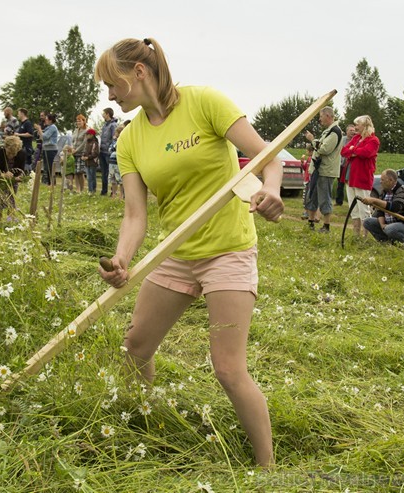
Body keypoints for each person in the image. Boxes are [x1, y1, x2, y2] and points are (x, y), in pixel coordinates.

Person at [95, 37, 283, 467]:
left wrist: (271, 192)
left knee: (228, 369)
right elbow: (134, 214)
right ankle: (146, 428)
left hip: (227, 251)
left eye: (112, 84)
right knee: (135, 350)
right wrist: (123, 258)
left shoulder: (205, 102)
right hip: (174, 253)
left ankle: (267, 469)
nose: (109, 95)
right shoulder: (129, 139)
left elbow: (269, 158)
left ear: (138, 73)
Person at [341, 115, 380, 237]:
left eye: (358, 124)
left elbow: (366, 153)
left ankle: (365, 235)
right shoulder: (357, 138)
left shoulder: (373, 140)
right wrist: (354, 150)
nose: (355, 127)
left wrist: (353, 150)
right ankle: (356, 234)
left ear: (365, 126)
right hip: (350, 177)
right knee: (353, 208)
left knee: (364, 208)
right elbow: (343, 151)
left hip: (362, 178)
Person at [304, 107, 342, 233]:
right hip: (318, 170)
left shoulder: (335, 132)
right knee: (312, 195)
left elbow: (324, 149)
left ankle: (326, 226)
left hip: (326, 171)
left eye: (321, 117)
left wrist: (312, 139)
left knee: (325, 198)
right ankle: (310, 222)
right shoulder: (328, 131)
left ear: (328, 116)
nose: (319, 120)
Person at [360, 169, 404, 246]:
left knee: (390, 229)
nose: (380, 182)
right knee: (367, 222)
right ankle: (386, 243)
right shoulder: (384, 192)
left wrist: (374, 200)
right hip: (388, 223)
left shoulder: (403, 190)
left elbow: (395, 207)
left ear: (391, 180)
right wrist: (382, 224)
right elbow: (380, 211)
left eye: (382, 180)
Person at [0, 135, 26, 222]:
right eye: (9, 153)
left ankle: (10, 222)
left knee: (11, 201)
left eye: (14, 154)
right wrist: (1, 175)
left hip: (12, 181)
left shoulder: (22, 153)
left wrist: (18, 177)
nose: (11, 156)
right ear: (5, 147)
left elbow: (21, 170)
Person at [99, 107, 119, 196]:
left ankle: (113, 192)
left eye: (103, 113)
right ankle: (104, 191)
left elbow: (114, 138)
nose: (102, 115)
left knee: (111, 173)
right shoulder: (104, 125)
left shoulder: (113, 125)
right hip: (102, 151)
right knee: (104, 172)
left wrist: (110, 149)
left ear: (107, 114)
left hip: (108, 152)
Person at [35, 113, 58, 185]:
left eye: (47, 119)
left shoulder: (53, 127)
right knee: (46, 167)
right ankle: (48, 182)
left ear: (51, 120)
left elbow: (45, 137)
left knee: (49, 166)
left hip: (51, 149)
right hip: (46, 149)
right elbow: (42, 137)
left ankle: (52, 183)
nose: (45, 121)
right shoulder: (48, 127)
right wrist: (39, 131)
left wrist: (39, 129)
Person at [335, 124, 356, 206]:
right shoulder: (342, 140)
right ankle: (339, 201)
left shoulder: (356, 140)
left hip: (350, 166)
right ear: (347, 131)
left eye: (354, 130)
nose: (353, 132)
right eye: (351, 130)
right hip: (341, 165)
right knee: (340, 184)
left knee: (350, 184)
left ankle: (352, 202)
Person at [71, 114, 89, 193]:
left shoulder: (86, 130)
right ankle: (77, 189)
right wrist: (72, 148)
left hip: (81, 153)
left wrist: (77, 150)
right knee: (75, 172)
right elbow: (73, 141)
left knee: (80, 172)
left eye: (80, 121)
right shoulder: (75, 130)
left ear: (84, 121)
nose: (78, 122)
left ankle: (82, 189)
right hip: (74, 153)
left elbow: (84, 143)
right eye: (77, 121)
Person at [108, 124, 124, 199]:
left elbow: (119, 149)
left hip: (118, 163)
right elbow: (110, 149)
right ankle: (114, 194)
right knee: (113, 179)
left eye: (116, 132)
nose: (115, 134)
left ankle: (121, 195)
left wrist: (115, 149)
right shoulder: (114, 141)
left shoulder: (123, 141)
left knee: (120, 180)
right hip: (112, 162)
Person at [83, 128, 100, 193]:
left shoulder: (95, 143)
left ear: (92, 135)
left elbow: (95, 153)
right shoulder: (87, 143)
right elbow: (85, 151)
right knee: (88, 177)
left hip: (93, 162)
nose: (86, 136)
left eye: (88, 134)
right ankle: (90, 190)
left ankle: (93, 190)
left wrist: (88, 157)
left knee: (92, 177)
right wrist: (83, 156)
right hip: (87, 163)